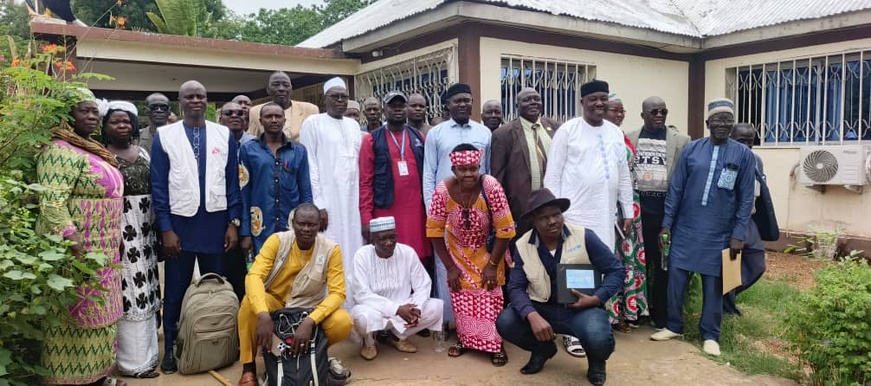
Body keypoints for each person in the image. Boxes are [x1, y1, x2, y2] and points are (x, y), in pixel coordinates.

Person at [650, 99, 756, 357]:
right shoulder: (692, 150)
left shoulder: (743, 155)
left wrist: (738, 234)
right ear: (707, 123)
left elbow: (746, 198)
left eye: (727, 120)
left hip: (720, 232)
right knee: (675, 279)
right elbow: (675, 190)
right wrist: (667, 224)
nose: (723, 124)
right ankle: (674, 325)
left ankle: (710, 334)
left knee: (713, 284)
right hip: (686, 228)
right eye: (717, 119)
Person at [36, 88, 127, 386]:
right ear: (67, 115)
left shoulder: (90, 148)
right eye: (83, 111)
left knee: (101, 314)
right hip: (75, 252)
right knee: (73, 319)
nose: (91, 116)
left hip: (104, 250)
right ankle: (69, 380)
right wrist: (71, 239)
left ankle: (98, 376)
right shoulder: (59, 150)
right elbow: (51, 202)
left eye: (94, 111)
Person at [150, 80, 242, 373]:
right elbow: (159, 187)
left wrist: (233, 223)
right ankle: (172, 350)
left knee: (216, 285)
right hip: (179, 226)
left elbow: (232, 183)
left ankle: (221, 341)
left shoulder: (223, 133)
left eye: (200, 96)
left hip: (215, 225)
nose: (195, 101)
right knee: (175, 289)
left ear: (207, 101)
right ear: (180, 102)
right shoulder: (165, 136)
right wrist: (166, 228)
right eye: (189, 96)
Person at [496, 189, 624, 385]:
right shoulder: (522, 245)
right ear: (533, 221)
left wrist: (597, 298)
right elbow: (515, 287)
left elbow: (616, 270)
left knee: (599, 338)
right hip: (541, 308)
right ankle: (543, 349)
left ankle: (597, 361)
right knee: (506, 321)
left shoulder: (584, 237)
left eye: (556, 214)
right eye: (544, 218)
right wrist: (531, 315)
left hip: (581, 309)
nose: (552, 221)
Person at [543, 80, 633, 357]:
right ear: (582, 102)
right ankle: (572, 333)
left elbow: (623, 174)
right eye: (593, 99)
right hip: (574, 217)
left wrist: (627, 210)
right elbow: (553, 175)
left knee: (601, 271)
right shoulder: (568, 131)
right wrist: (554, 215)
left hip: (605, 216)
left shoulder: (615, 133)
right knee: (574, 273)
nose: (599, 104)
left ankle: (595, 326)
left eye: (603, 99)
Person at [236, 204, 352, 386]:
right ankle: (248, 368)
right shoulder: (278, 241)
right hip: (275, 304)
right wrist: (262, 313)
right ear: (293, 223)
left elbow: (338, 293)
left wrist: (310, 320)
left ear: (319, 225)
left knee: (343, 322)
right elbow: (254, 276)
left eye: (311, 225)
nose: (306, 229)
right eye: (301, 224)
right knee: (249, 304)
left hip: (306, 309)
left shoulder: (331, 249)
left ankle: (312, 355)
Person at [426, 144, 515, 366]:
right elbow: (434, 231)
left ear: (479, 167)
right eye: (463, 169)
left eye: (473, 168)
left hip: (489, 252)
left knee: (490, 296)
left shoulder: (491, 187)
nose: (468, 174)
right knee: (461, 297)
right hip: (457, 253)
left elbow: (506, 230)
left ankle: (496, 343)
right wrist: (450, 267)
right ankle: (466, 340)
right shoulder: (442, 190)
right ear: (454, 170)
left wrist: (493, 265)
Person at [100, 100, 162, 379]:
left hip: (146, 230)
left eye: (126, 121)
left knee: (147, 289)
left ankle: (149, 357)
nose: (122, 126)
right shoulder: (102, 155)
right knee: (129, 292)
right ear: (106, 126)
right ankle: (131, 363)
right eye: (115, 121)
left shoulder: (144, 154)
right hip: (121, 230)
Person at [423, 83, 492, 327]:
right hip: (445, 209)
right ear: (447, 105)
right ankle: (451, 321)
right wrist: (434, 212)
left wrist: (489, 210)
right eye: (457, 101)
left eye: (467, 100)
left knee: (476, 261)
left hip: (477, 209)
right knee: (446, 265)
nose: (463, 104)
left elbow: (488, 174)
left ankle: (477, 319)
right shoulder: (436, 133)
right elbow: (429, 175)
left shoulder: (484, 133)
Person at [626, 96, 690, 329]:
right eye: (654, 112)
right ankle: (637, 310)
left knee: (663, 265)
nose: (660, 116)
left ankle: (660, 314)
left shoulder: (682, 141)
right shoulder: (630, 137)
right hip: (638, 215)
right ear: (643, 115)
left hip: (666, 214)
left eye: (663, 111)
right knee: (637, 265)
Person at [299, 77, 364, 308]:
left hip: (352, 202)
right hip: (328, 202)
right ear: (324, 99)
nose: (339, 100)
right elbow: (311, 164)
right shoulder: (313, 123)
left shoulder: (354, 125)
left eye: (343, 96)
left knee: (354, 250)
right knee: (329, 250)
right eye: (334, 96)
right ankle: (328, 308)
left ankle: (354, 307)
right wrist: (319, 205)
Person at [352, 216, 444, 360]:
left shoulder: (407, 252)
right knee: (363, 318)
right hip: (375, 309)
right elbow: (362, 294)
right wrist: (396, 309)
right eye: (383, 239)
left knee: (436, 307)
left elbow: (423, 284)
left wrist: (417, 307)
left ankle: (397, 336)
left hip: (404, 308)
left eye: (392, 237)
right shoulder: (361, 256)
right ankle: (369, 342)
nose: (389, 243)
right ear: (372, 240)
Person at [359, 91, 430, 264]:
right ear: (384, 110)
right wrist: (366, 218)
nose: (398, 109)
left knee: (417, 260)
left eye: (401, 106)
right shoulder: (371, 140)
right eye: (392, 106)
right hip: (386, 210)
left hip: (417, 214)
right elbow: (365, 182)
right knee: (389, 258)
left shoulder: (418, 136)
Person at [239, 102, 313, 253]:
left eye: (278, 116)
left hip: (291, 225)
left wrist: (308, 224)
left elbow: (305, 190)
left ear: (284, 121)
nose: (274, 120)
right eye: (268, 116)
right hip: (260, 226)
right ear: (260, 121)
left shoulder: (298, 150)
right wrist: (245, 232)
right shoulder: (248, 149)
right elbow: (244, 193)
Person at [602, 93, 648, 332]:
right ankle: (611, 314)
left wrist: (629, 209)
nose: (619, 114)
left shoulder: (623, 137)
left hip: (630, 206)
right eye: (614, 110)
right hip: (611, 207)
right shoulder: (602, 137)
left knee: (627, 260)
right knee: (612, 259)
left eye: (622, 110)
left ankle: (628, 310)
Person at [491, 87, 560, 235]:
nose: (533, 102)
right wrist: (503, 213)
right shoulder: (503, 134)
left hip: (555, 207)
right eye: (527, 100)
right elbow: (498, 178)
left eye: (536, 99)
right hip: (523, 210)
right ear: (517, 106)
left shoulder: (555, 127)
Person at [723, 123, 766, 316]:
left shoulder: (757, 160)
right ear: (731, 138)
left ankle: (724, 294)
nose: (748, 146)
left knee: (757, 264)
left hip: (750, 218)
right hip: (731, 220)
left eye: (751, 141)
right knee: (730, 264)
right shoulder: (727, 158)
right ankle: (727, 308)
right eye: (742, 141)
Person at [247, 71, 319, 141]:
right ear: (268, 90)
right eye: (276, 84)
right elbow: (252, 139)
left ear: (291, 89)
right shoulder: (256, 111)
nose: (281, 88)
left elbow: (317, 138)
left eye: (286, 85)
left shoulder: (310, 109)